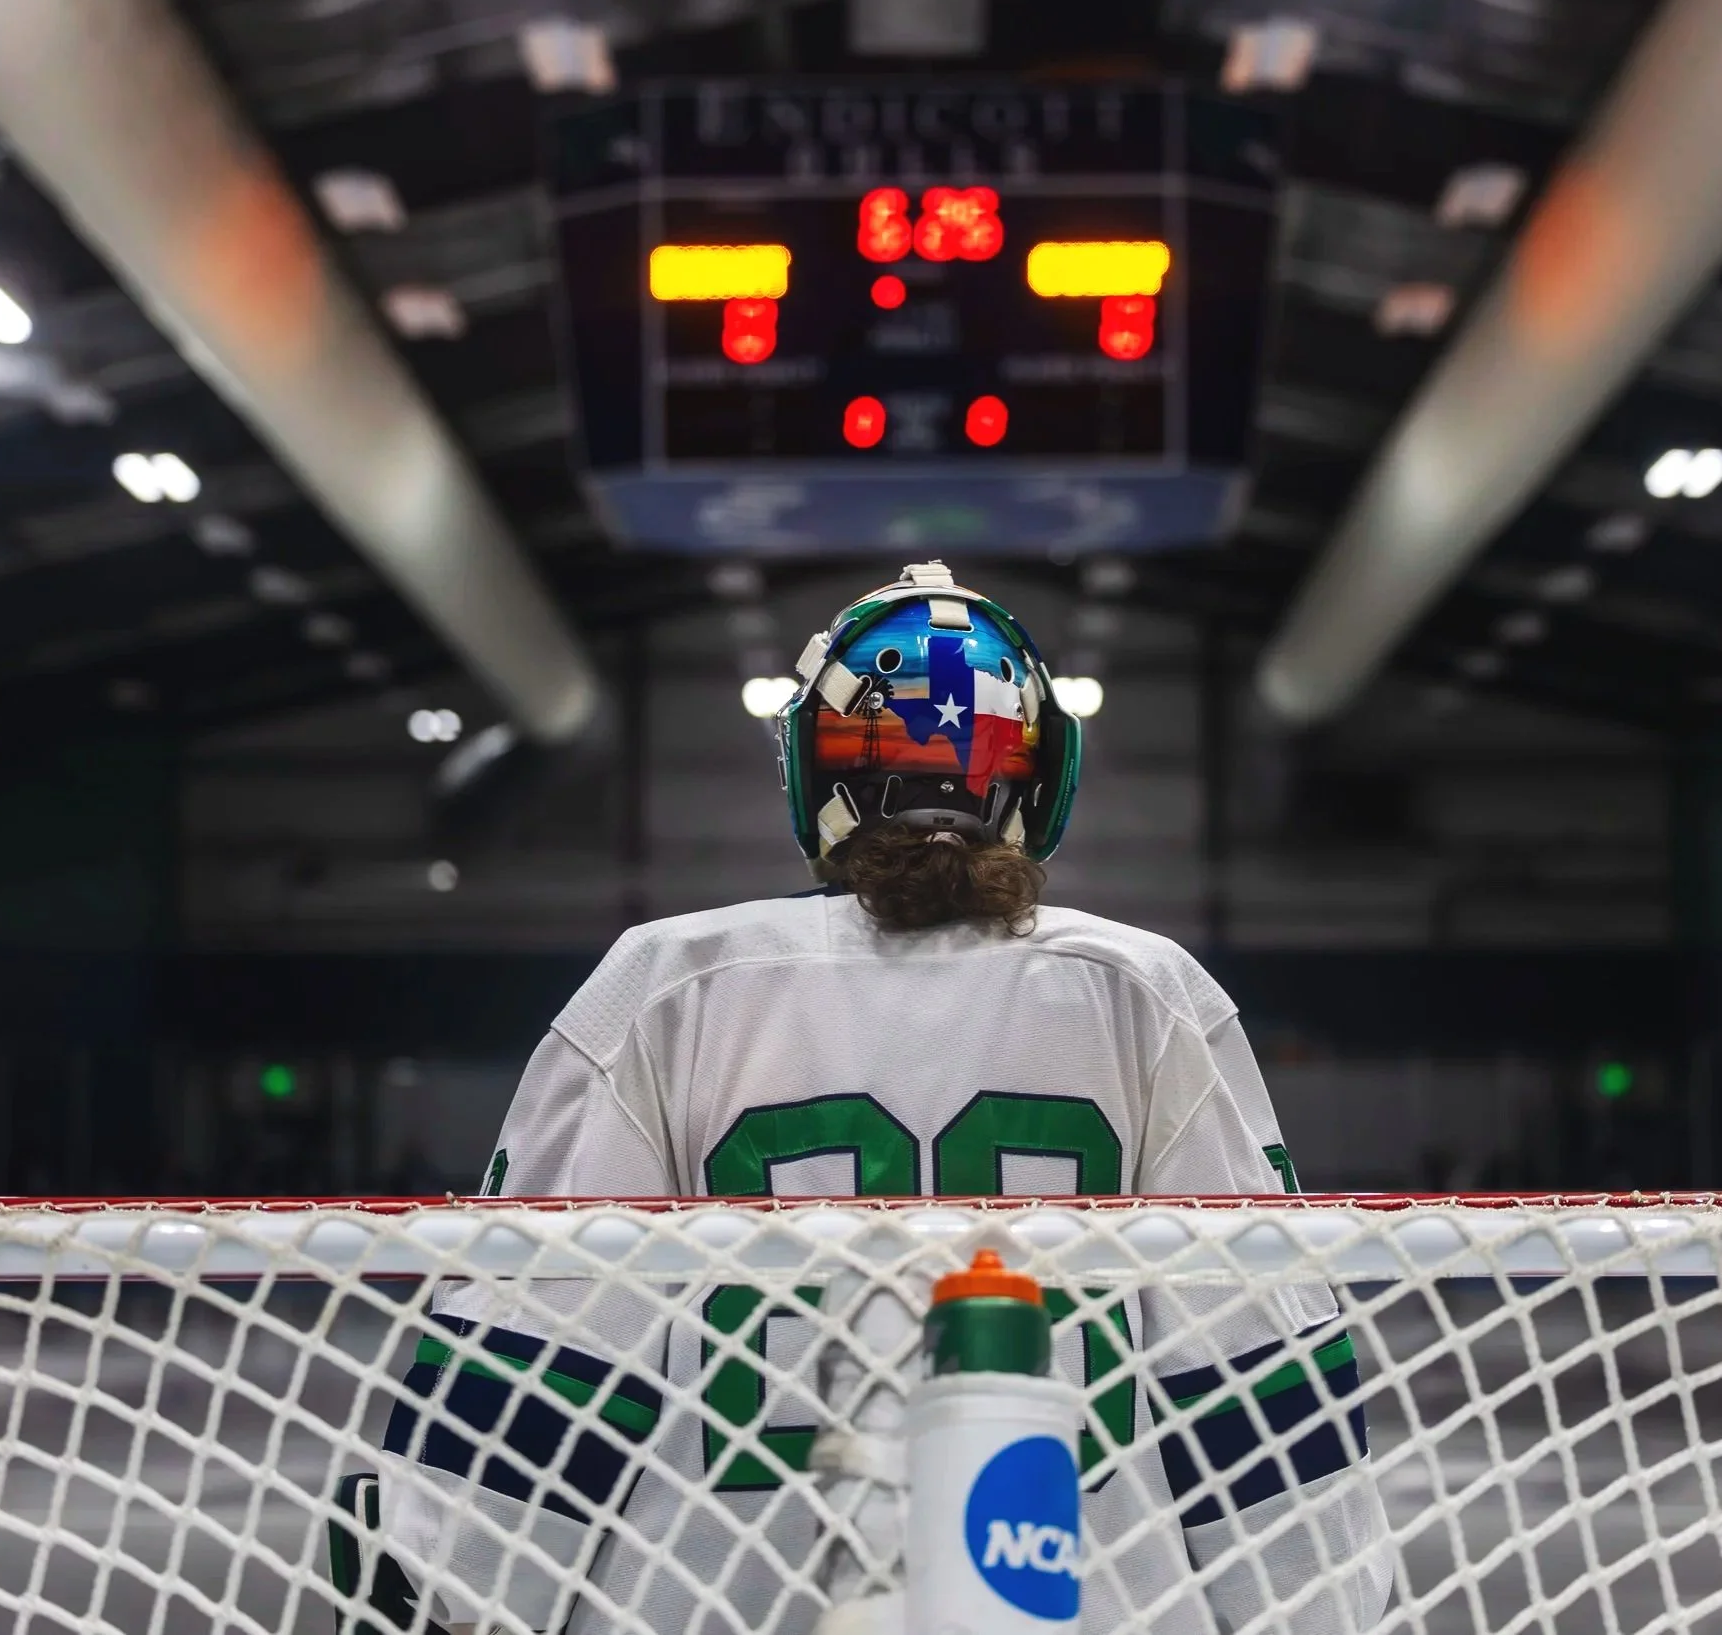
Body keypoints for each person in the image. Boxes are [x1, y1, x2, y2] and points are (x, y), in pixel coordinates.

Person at [370, 561, 1393, 1635]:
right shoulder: (1148, 991)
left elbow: (538, 1384)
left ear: (815, 767)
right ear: (1040, 773)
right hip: (1076, 1599)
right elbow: (1252, 1381)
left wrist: (450, 1574)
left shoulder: (665, 982)